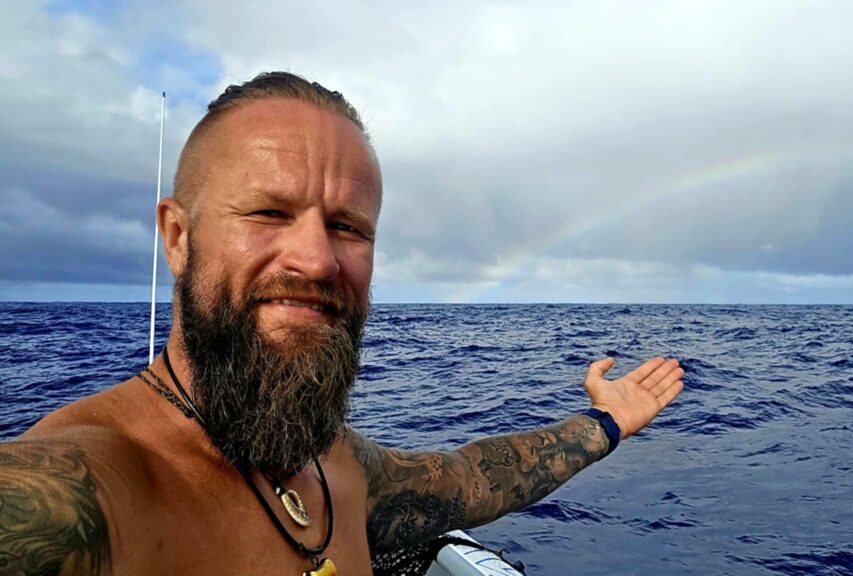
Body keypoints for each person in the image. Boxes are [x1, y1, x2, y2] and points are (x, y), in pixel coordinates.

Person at [0, 72, 685, 576]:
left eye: (348, 227)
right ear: (178, 237)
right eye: (268, 213)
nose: (318, 259)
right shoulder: (79, 497)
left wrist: (606, 422)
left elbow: (468, 479)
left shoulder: (338, 464)